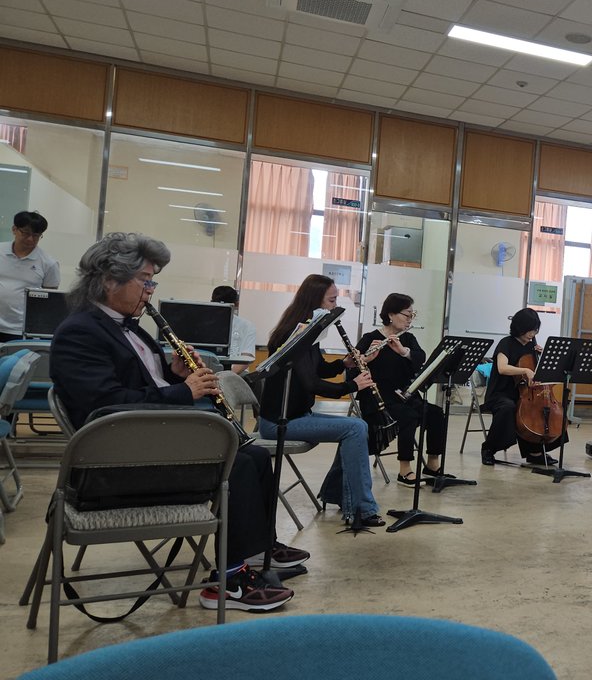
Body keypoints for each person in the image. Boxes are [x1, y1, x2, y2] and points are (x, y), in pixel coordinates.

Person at [49, 232, 299, 612]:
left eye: (153, 282)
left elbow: (140, 386)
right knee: (239, 465)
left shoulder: (131, 327)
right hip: (114, 466)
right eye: (145, 281)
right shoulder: (79, 332)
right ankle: (229, 581)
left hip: (142, 446)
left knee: (257, 457)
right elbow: (106, 406)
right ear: (109, 280)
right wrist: (185, 391)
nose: (151, 291)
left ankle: (255, 553)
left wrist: (173, 373)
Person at [258, 274, 381, 527]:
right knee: (355, 428)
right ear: (315, 300)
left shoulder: (310, 332)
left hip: (299, 415)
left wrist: (344, 364)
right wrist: (352, 386)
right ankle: (362, 509)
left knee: (355, 428)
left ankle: (336, 494)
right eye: (332, 300)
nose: (335, 306)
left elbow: (319, 369)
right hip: (279, 422)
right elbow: (311, 384)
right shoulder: (295, 334)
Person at [355, 292, 449, 487]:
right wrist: (366, 359)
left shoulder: (407, 339)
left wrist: (403, 351)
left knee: (436, 413)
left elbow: (420, 358)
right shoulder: (370, 338)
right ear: (391, 314)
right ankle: (404, 470)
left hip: (405, 396)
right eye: (407, 314)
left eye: (412, 315)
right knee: (408, 417)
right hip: (378, 399)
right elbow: (353, 368)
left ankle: (432, 465)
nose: (409, 319)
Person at [478, 308, 565, 466]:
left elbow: (535, 375)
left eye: (535, 330)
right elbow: (502, 368)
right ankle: (489, 449)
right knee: (508, 408)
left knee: (539, 410)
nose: (532, 334)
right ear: (519, 328)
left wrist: (543, 357)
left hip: (524, 393)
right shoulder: (506, 343)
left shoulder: (532, 346)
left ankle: (534, 452)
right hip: (501, 394)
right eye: (529, 330)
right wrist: (525, 370)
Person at [0, 210, 60, 342]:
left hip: (21, 329)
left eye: (36, 235)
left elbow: (49, 301)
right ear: (14, 229)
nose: (30, 239)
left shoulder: (48, 263)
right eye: (26, 233)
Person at [211, 285, 256, 373]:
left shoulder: (246, 326)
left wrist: (226, 376)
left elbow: (247, 357)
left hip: (236, 374)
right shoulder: (205, 324)